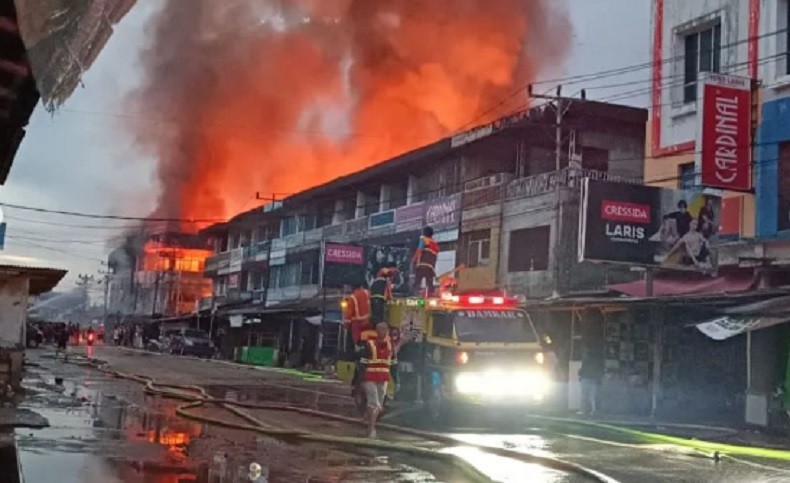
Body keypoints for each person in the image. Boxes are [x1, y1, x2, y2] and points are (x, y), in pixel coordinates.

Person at [360, 321, 409, 438]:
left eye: (384, 329)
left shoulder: (390, 345)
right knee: (375, 405)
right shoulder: (369, 344)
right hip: (370, 378)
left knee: (378, 405)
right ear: (376, 331)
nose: (382, 331)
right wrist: (361, 380)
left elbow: (393, 364)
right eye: (380, 329)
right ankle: (371, 430)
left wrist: (397, 381)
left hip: (383, 379)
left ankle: (366, 420)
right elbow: (362, 363)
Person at [412, 226, 439, 296]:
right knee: (429, 282)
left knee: (417, 281)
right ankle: (431, 293)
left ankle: (416, 294)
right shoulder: (435, 244)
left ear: (424, 233)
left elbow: (419, 250)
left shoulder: (423, 240)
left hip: (422, 265)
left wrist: (414, 259)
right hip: (430, 267)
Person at [578, 344, 604, 416]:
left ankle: (584, 410)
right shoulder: (595, 360)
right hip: (593, 378)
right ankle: (593, 410)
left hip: (586, 378)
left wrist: (580, 374)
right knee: (592, 396)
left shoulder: (585, 359)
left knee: (584, 395)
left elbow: (583, 369)